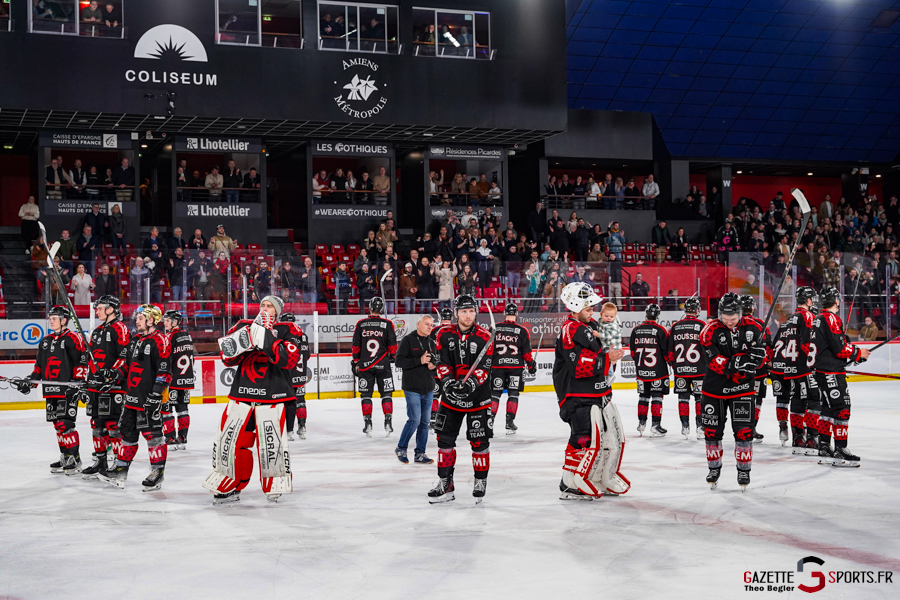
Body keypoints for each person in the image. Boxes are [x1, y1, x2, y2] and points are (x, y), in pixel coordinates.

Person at [203, 296, 300, 505]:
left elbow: (288, 359)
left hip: (273, 396)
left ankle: (274, 483)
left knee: (271, 445)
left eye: (270, 306)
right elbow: (227, 357)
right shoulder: (244, 326)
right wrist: (247, 338)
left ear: (278, 312)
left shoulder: (288, 329)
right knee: (231, 443)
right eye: (263, 305)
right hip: (242, 394)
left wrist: (265, 335)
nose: (265, 309)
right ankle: (231, 483)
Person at [553, 282, 628, 500]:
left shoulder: (591, 325)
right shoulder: (570, 330)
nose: (592, 311)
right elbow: (578, 365)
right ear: (575, 307)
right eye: (588, 308)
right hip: (577, 396)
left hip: (597, 394)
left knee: (606, 440)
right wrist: (607, 358)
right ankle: (569, 483)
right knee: (583, 438)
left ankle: (597, 477)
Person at [96, 305, 171, 491]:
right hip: (131, 398)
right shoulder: (134, 340)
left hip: (148, 399)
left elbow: (164, 372)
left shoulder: (161, 341)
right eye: (136, 318)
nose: (136, 321)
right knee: (127, 435)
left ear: (151, 320)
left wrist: (156, 394)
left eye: (140, 318)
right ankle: (120, 470)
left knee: (153, 437)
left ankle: (157, 473)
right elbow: (126, 367)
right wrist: (112, 374)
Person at [430, 294, 494, 503]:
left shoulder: (485, 336)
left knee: (479, 441)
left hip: (478, 399)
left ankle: (480, 480)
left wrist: (470, 384)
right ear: (456, 313)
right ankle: (445, 483)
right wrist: (448, 381)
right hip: (450, 400)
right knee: (444, 441)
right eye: (464, 311)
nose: (468, 315)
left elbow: (484, 367)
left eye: (471, 311)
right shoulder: (443, 334)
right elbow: (441, 362)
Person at [699, 293, 765, 491]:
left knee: (744, 432)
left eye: (733, 318)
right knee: (712, 432)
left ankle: (744, 471)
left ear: (740, 314)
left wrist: (760, 357)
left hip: (742, 388)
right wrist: (739, 362)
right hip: (714, 389)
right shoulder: (708, 331)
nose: (728, 322)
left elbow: (763, 356)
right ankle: (713, 468)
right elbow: (713, 361)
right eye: (725, 318)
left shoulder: (754, 327)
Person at [12, 306, 89, 475]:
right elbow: (39, 367)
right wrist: (30, 382)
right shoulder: (45, 341)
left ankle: (74, 458)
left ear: (64, 320)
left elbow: (82, 363)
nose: (51, 321)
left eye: (54, 318)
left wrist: (78, 384)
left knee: (66, 424)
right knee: (57, 425)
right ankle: (65, 455)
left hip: (68, 390)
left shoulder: (74, 338)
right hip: (51, 390)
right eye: (50, 318)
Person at [813, 286, 870, 467]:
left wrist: (853, 353)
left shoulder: (817, 319)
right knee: (842, 408)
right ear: (836, 301)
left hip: (822, 371)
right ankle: (840, 449)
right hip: (831, 372)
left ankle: (824, 446)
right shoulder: (830, 318)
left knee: (828, 409)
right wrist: (858, 352)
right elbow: (839, 349)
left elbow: (831, 348)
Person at [774, 286, 820, 456]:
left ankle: (798, 438)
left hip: (791, 367)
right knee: (814, 400)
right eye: (812, 299)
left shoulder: (790, 319)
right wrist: (818, 361)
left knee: (798, 401)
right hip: (805, 367)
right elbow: (809, 344)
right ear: (808, 300)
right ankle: (812, 438)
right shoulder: (807, 316)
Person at [394, 314, 438, 465]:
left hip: (428, 388)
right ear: (418, 324)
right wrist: (419, 360)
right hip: (412, 388)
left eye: (431, 324)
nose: (429, 327)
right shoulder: (408, 340)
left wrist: (433, 366)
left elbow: (436, 362)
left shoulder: (432, 343)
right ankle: (401, 448)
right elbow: (399, 362)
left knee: (424, 422)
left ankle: (420, 453)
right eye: (426, 324)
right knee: (414, 420)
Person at [351, 297, 398, 436]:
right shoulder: (388, 324)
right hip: (383, 365)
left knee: (366, 395)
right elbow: (393, 345)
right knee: (386, 394)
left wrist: (356, 361)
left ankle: (368, 424)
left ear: (370, 308)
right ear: (381, 309)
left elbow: (355, 345)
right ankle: (388, 422)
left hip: (365, 366)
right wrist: (393, 356)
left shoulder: (361, 324)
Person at [487, 303, 537, 435]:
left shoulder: (494, 328)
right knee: (513, 394)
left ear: (504, 313)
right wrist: (531, 365)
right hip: (516, 367)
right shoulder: (522, 330)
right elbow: (526, 353)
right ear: (516, 314)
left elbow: (487, 348)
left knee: (495, 394)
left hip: (497, 366)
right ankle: (509, 423)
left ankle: (489, 422)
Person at [667, 297, 708, 440]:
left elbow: (670, 350)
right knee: (699, 398)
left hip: (681, 370)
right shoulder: (703, 325)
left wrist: (674, 365)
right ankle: (700, 427)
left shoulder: (675, 326)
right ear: (697, 310)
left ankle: (685, 426)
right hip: (699, 369)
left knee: (683, 398)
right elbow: (707, 348)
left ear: (685, 310)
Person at [632, 304, 671, 437]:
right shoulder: (661, 330)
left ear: (646, 314)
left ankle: (641, 423)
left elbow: (632, 352)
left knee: (643, 396)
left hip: (641, 371)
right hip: (658, 371)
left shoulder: (636, 330)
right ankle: (655, 425)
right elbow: (666, 352)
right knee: (657, 397)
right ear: (658, 316)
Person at [740, 295, 772, 443]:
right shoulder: (760, 324)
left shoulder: (735, 324)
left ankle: (743, 428)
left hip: (740, 368)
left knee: (742, 398)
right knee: (757, 399)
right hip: (758, 369)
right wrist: (767, 362)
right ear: (753, 308)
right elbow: (769, 346)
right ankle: (752, 427)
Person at [161, 310, 194, 451]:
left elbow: (165, 358)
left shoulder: (169, 337)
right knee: (183, 409)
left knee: (167, 410)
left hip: (171, 380)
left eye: (167, 321)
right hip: (186, 379)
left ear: (175, 322)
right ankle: (182, 438)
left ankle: (170, 439)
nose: (165, 323)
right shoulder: (187, 336)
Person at [278, 314, 312, 440]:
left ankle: (288, 430)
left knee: (287, 402)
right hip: (300, 374)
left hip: (288, 374)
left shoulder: (283, 336)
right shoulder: (303, 335)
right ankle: (302, 427)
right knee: (300, 400)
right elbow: (307, 355)